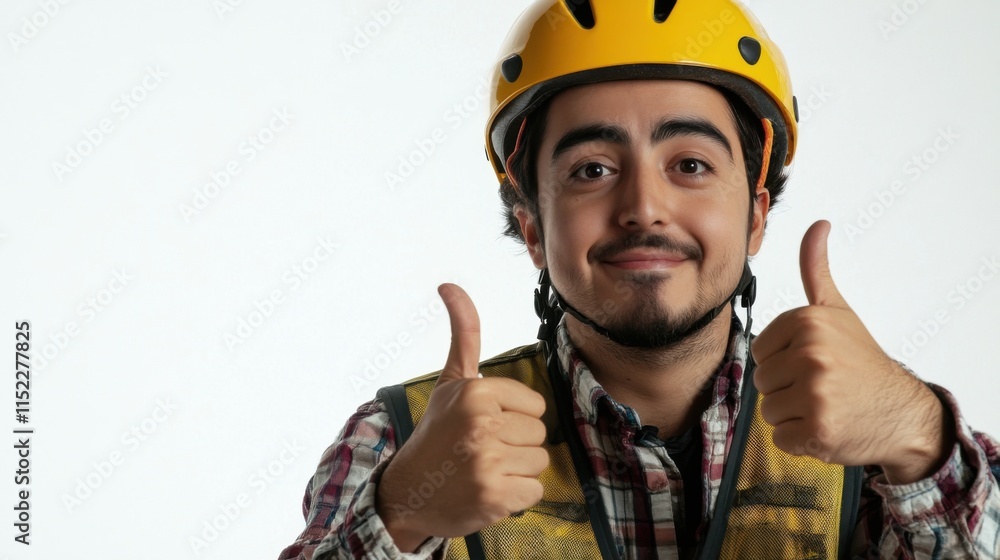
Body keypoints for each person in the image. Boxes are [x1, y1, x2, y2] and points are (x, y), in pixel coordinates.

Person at [278, 1, 1000, 558]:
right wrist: (402, 517)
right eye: (592, 170)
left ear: (756, 216)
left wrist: (916, 435)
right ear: (532, 226)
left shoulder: (881, 453)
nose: (644, 208)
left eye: (689, 164)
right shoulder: (401, 444)